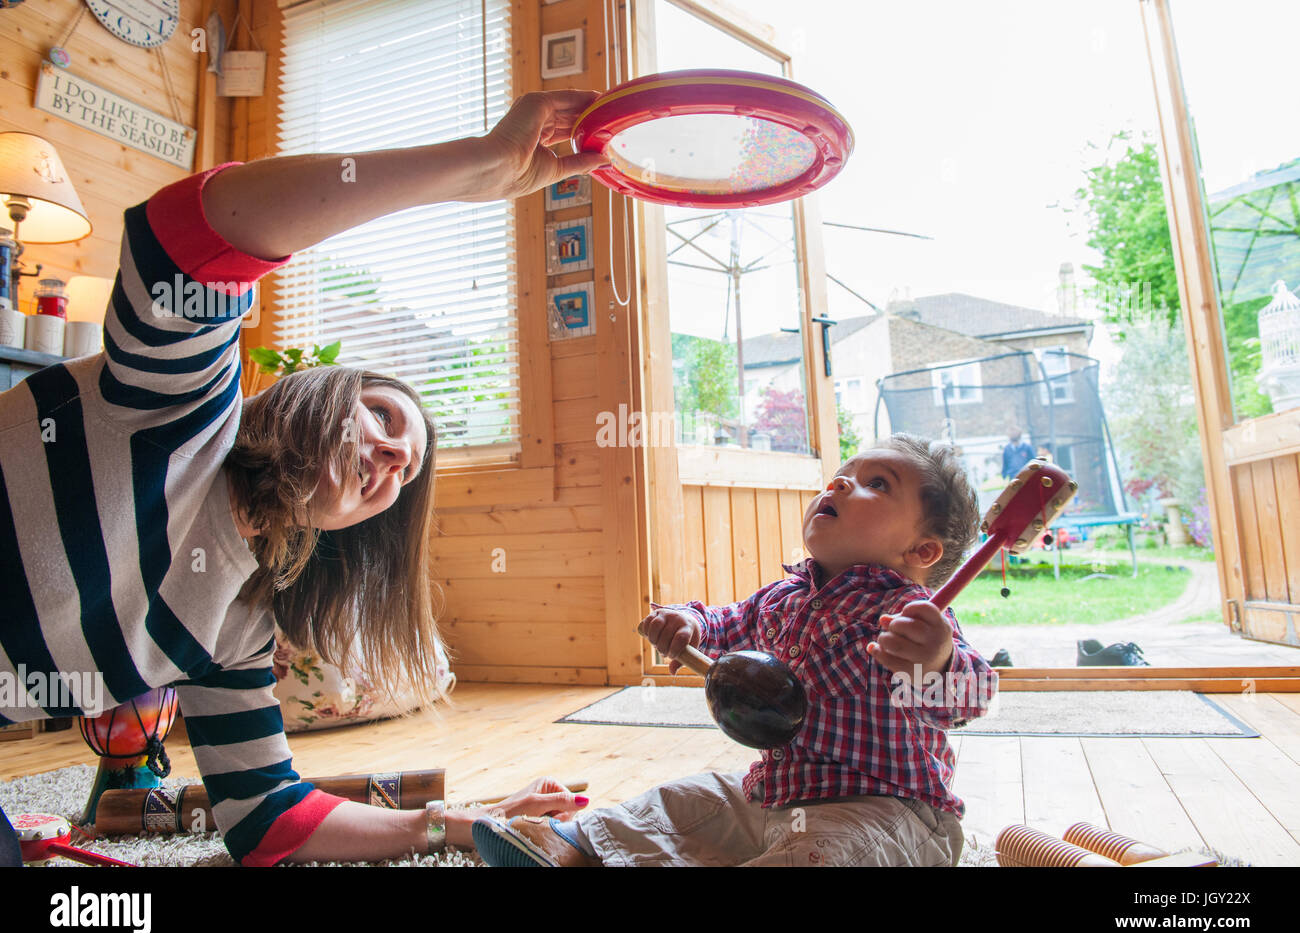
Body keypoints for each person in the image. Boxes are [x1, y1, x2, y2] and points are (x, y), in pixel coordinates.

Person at [0, 90, 606, 866]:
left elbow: (267, 816)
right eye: (385, 418)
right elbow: (184, 235)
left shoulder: (236, 623)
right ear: (320, 391)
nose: (393, 459)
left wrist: (456, 823)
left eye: (404, 472)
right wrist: (474, 167)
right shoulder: (177, 404)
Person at [472, 434, 995, 866]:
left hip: (888, 812)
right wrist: (690, 623)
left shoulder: (912, 614)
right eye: (844, 472)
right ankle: (573, 847)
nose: (840, 482)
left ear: (921, 551)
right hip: (776, 795)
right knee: (684, 801)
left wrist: (939, 660)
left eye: (877, 485)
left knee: (827, 854)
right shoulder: (784, 596)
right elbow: (726, 624)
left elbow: (970, 698)